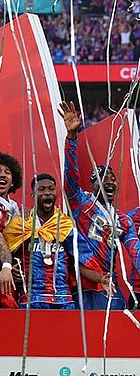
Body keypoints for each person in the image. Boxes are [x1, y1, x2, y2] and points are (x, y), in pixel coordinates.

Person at [60, 101, 140, 310]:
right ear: (92, 184)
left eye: (113, 179)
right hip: (83, 284)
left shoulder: (123, 220)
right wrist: (72, 138)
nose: (110, 181)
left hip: (109, 285)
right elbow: (69, 178)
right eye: (104, 178)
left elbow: (135, 250)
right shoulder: (82, 203)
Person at [3, 174, 105, 309]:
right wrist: (9, 268)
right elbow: (6, 257)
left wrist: (101, 279)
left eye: (51, 189)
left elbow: (81, 262)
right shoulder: (19, 225)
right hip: (30, 301)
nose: (47, 192)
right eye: (42, 189)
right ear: (33, 196)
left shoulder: (65, 226)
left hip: (63, 301)